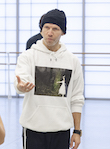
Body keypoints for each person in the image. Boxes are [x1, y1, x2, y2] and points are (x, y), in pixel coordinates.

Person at [14, 9, 85, 149]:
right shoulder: (27, 56)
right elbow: (21, 80)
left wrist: (77, 131)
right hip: (33, 128)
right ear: (41, 30)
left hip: (61, 129)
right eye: (46, 27)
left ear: (63, 32)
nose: (50, 32)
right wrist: (20, 86)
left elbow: (77, 97)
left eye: (55, 29)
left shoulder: (72, 61)